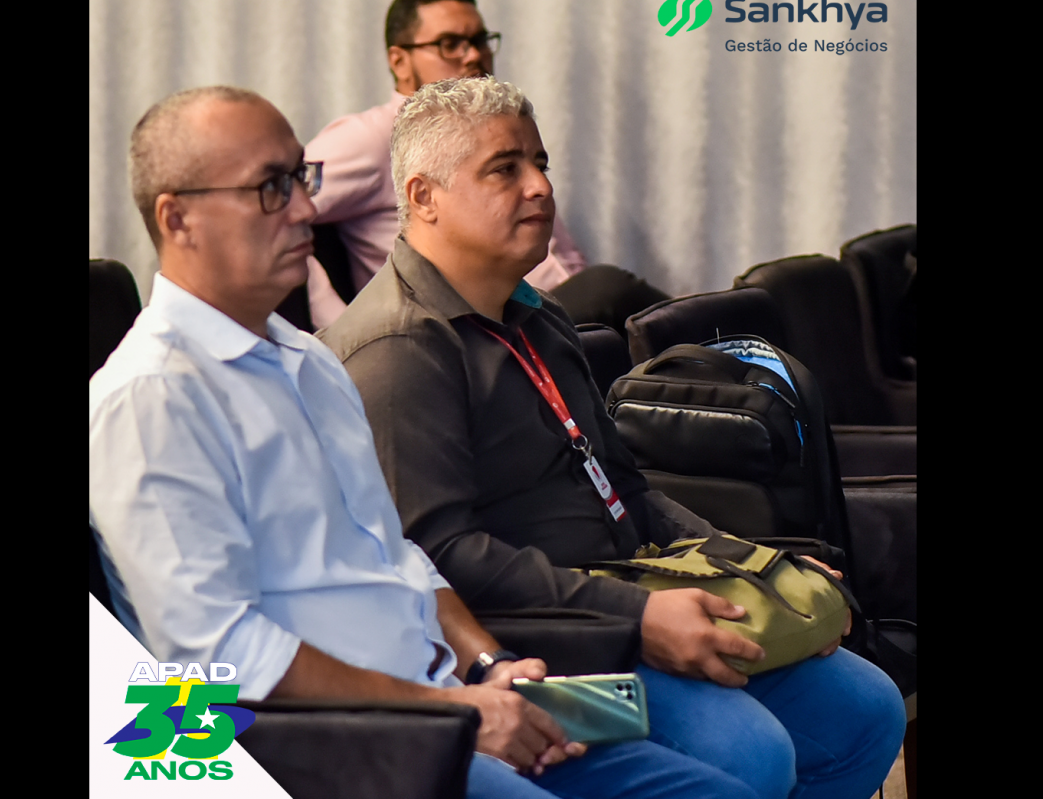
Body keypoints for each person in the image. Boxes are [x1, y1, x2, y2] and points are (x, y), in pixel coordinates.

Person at [89, 84, 764, 799]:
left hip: (440, 696)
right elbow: (218, 660)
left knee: (734, 783)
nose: (307, 209)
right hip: (340, 744)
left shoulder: (305, 359)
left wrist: (487, 665)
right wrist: (450, 710)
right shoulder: (151, 397)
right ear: (178, 218)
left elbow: (399, 555)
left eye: (301, 178)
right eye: (271, 188)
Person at [320, 76, 907, 799]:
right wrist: (640, 618)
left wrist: (757, 567)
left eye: (540, 163)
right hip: (542, 637)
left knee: (864, 709)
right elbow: (440, 557)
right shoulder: (400, 349)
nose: (539, 186)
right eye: (505, 169)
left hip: (630, 590)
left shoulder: (536, 317)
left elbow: (625, 487)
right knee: (751, 754)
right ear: (423, 196)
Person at [304, 0, 668, 331]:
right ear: (400, 61)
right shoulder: (370, 137)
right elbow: (282, 210)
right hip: (473, 326)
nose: (475, 55)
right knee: (607, 290)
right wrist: (339, 327)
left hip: (546, 311)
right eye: (450, 44)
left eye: (480, 41)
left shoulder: (502, 128)